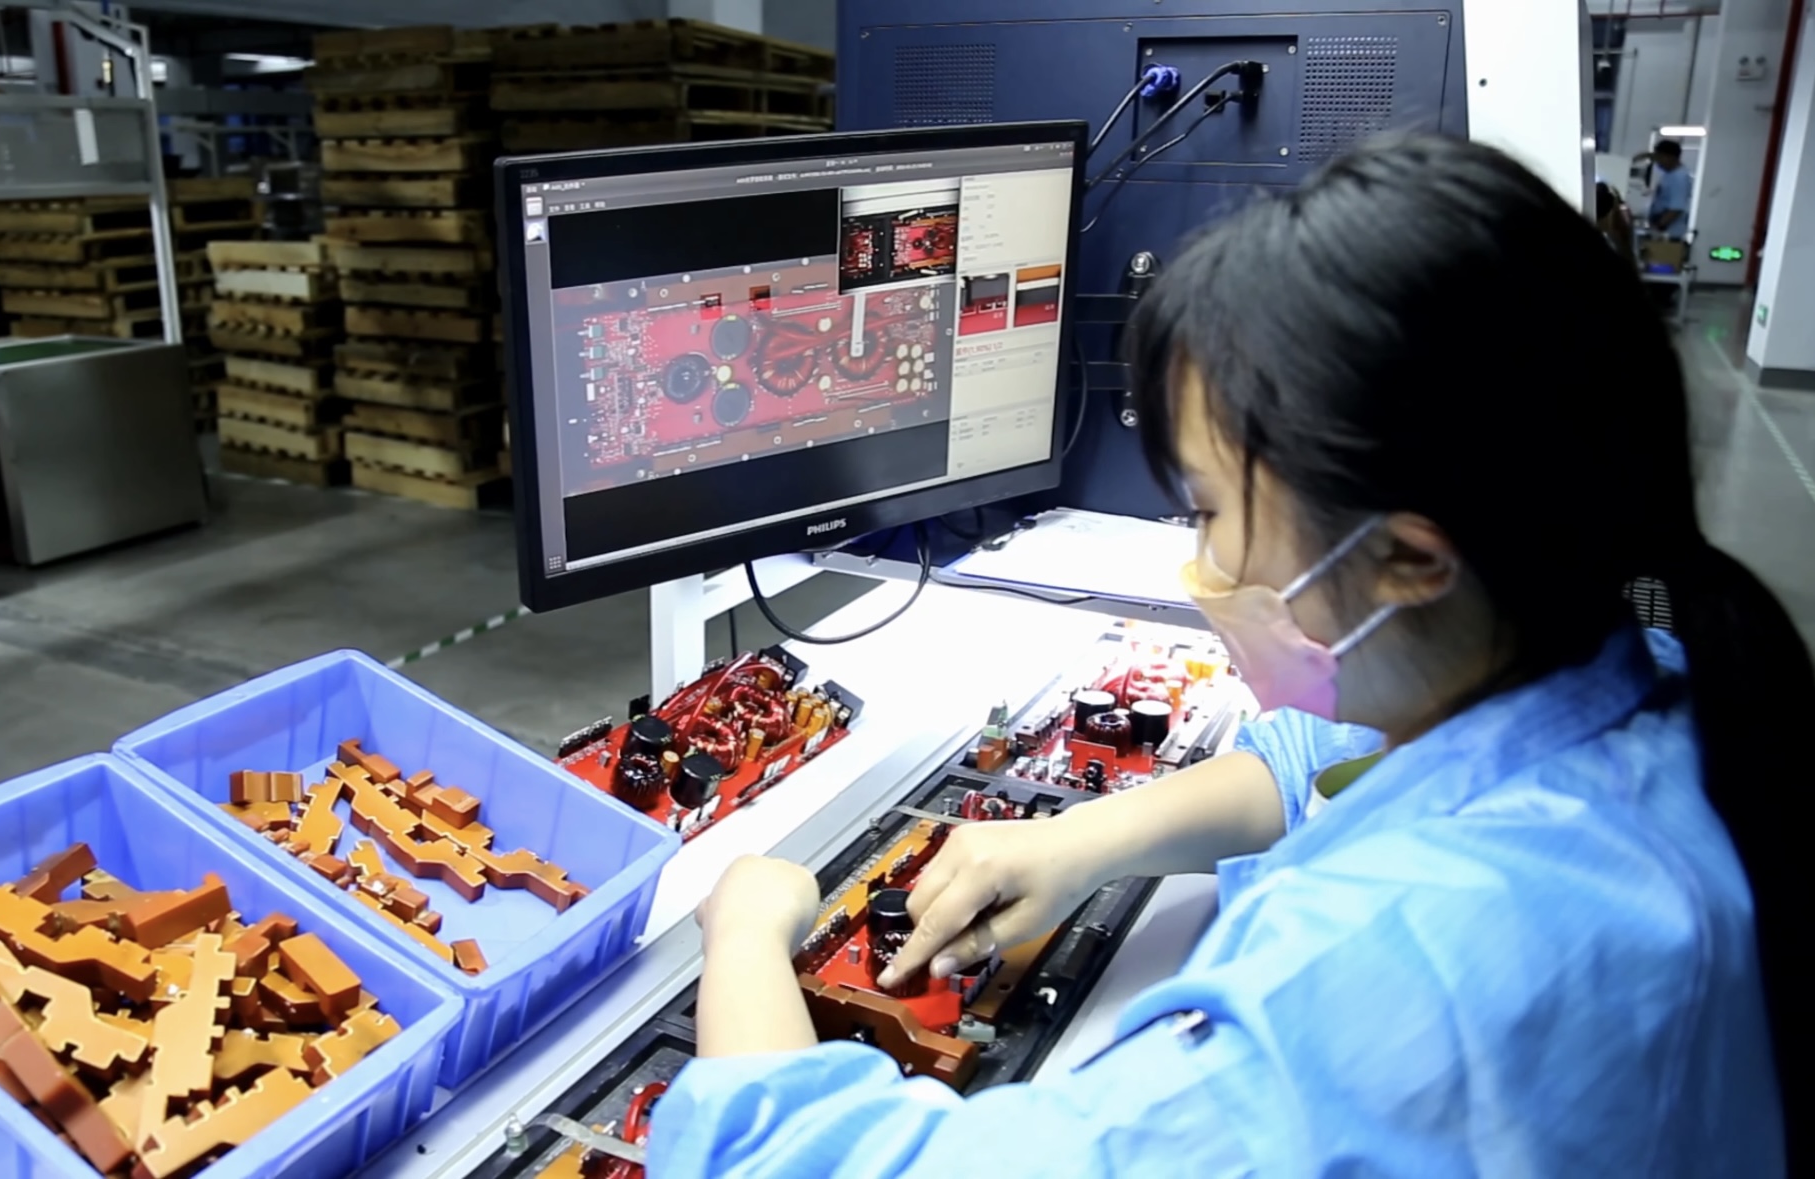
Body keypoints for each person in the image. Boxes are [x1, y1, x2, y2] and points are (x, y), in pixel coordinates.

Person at [653, 134, 1803, 1177]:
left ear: (1410, 560)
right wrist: (1081, 838)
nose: (1200, 566)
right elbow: (1328, 758)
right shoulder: (1639, 677)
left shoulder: (1390, 988)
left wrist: (748, 931)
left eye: (1207, 512)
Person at [1642, 137, 1693, 239]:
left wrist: (1658, 227)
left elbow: (1676, 209)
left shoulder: (1679, 178)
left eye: (1660, 158)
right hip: (1662, 228)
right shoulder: (1669, 174)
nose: (1658, 162)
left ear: (1671, 157)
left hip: (1668, 234)